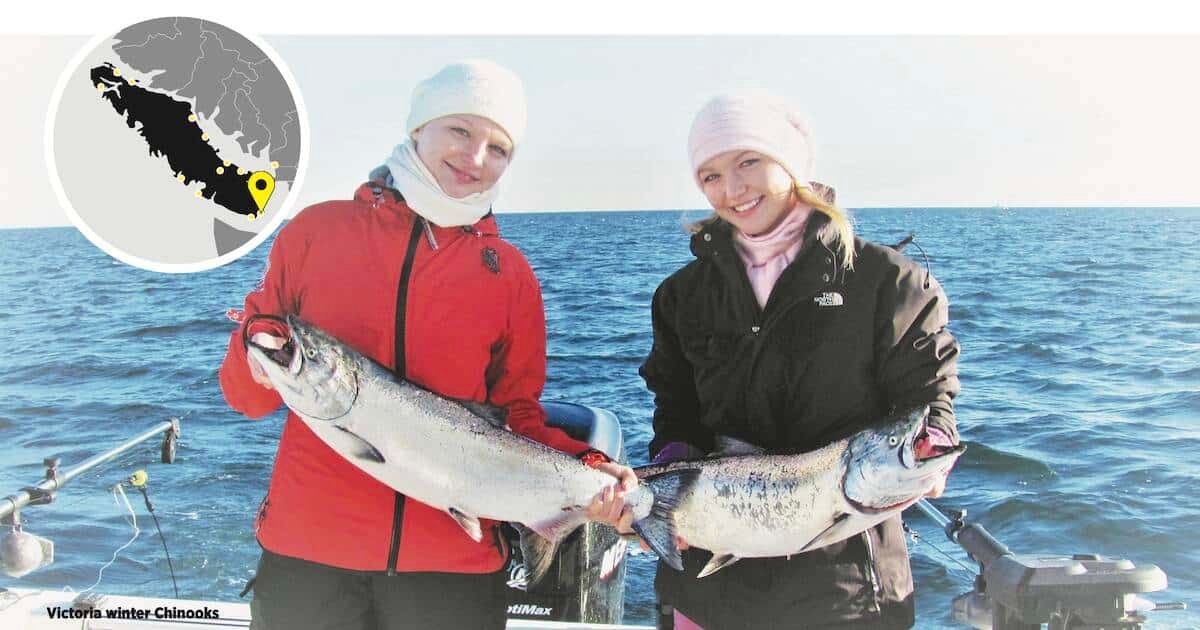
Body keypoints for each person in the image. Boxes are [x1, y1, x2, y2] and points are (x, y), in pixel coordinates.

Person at [218, 59, 635, 630]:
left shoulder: (508, 274)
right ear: (419, 127)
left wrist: (592, 470)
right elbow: (245, 398)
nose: (475, 157)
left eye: (499, 148)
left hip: (453, 570)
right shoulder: (315, 232)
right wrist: (254, 352)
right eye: (460, 130)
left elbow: (517, 420)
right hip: (310, 557)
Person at [633, 90, 961, 628]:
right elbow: (677, 413)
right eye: (711, 175)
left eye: (748, 161)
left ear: (791, 163)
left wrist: (934, 443)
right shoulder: (681, 296)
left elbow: (929, 399)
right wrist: (666, 487)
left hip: (847, 594)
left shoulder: (889, 282)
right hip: (708, 590)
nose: (732, 189)